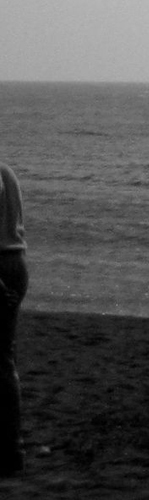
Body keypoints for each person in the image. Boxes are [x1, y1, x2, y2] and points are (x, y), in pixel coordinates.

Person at [1, 163, 26, 477]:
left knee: (1, 363)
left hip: (1, 264)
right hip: (16, 261)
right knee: (5, 357)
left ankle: (10, 450)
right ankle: (11, 448)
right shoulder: (7, 172)